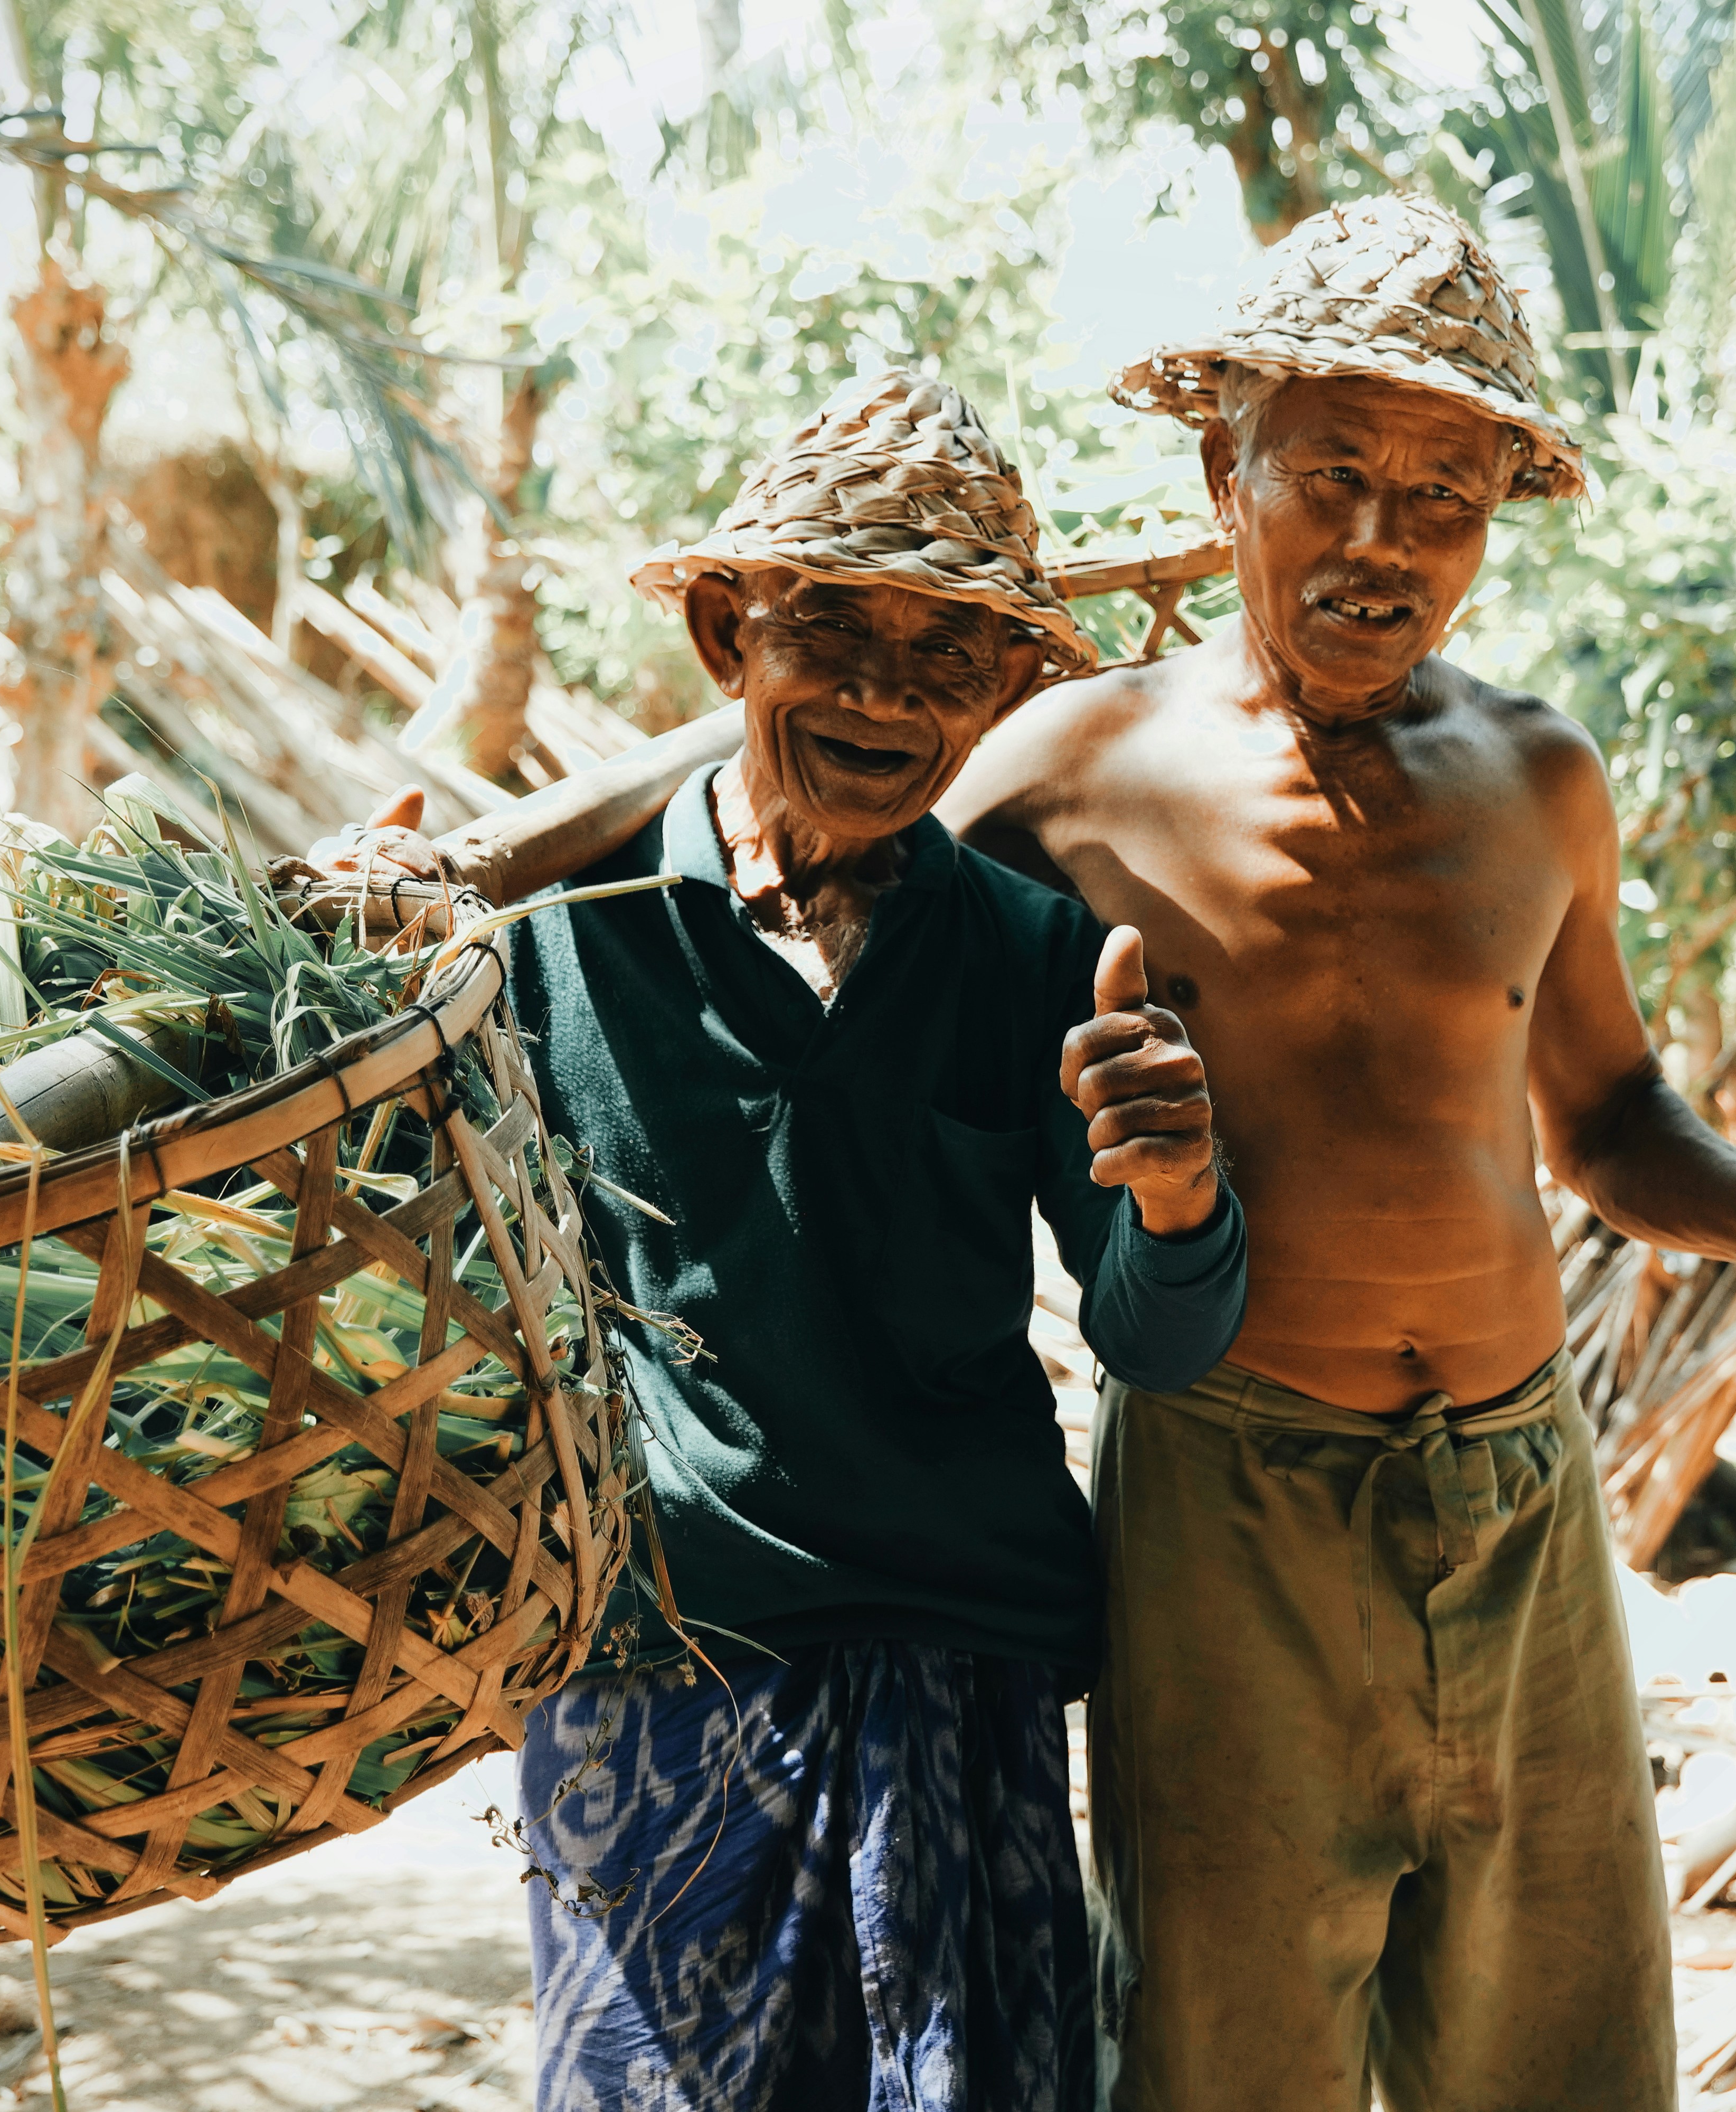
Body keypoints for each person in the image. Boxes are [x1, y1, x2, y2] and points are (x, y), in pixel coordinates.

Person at [928, 197, 1736, 2111]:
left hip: (1520, 1491)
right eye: (1332, 478)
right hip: (1229, 1501)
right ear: (1222, 468)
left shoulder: (1539, 777)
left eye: (1446, 500)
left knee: (1556, 2042)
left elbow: (1608, 1119)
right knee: (1228, 2052)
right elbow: (824, 933)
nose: (1384, 543)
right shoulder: (1071, 772)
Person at [333, 370, 1249, 2111]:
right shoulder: (539, 956)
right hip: (657, 1665)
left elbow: (1154, 1339)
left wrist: (1181, 1199)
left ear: (1008, 693)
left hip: (955, 1665)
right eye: (830, 626)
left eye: (949, 657)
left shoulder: (1039, 959)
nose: (886, 695)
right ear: (720, 633)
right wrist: (340, 977)